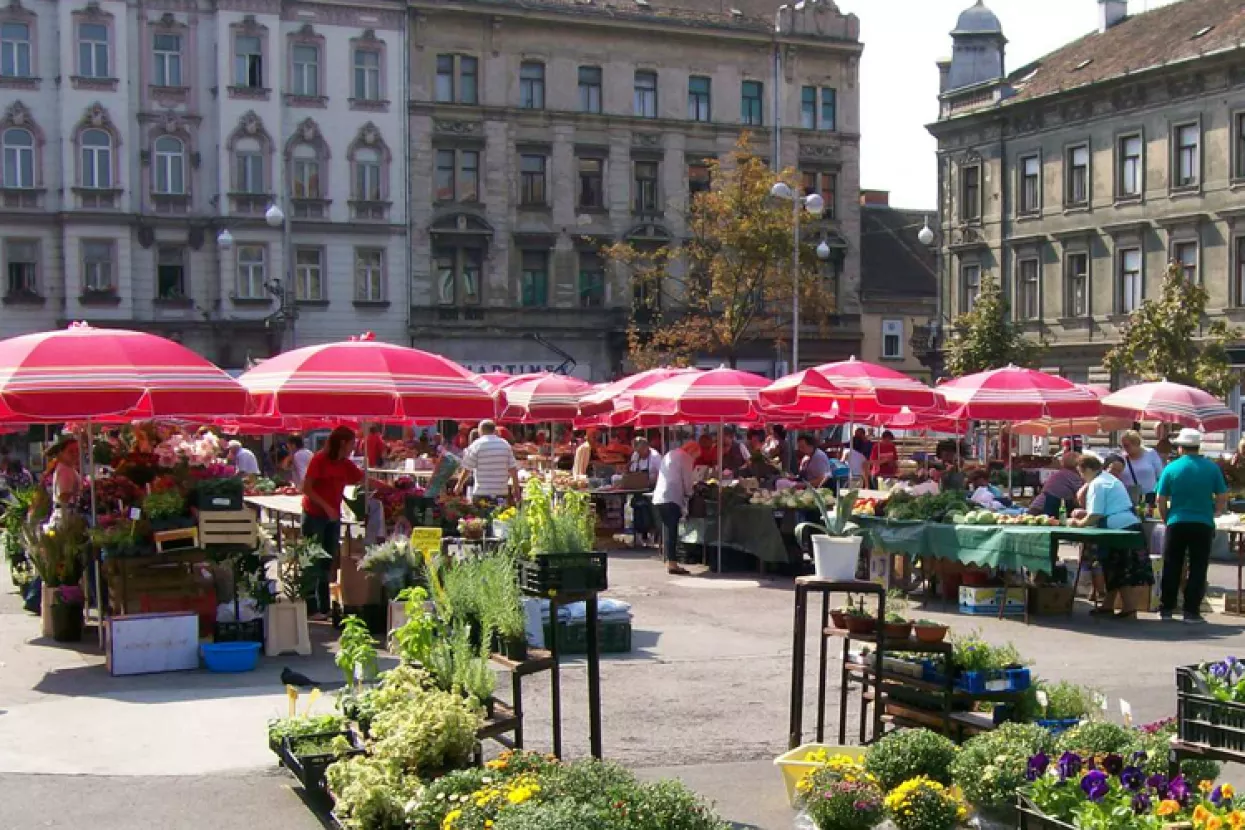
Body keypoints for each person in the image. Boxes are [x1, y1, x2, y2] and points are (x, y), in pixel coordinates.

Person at [1156, 428, 1228, 624]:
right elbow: (1222, 496)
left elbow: (1160, 499)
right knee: (1198, 566)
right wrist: (1215, 512)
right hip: (1202, 523)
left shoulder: (1171, 468)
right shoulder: (1211, 468)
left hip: (1177, 521)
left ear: (1180, 448)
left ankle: (1167, 608)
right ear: (1198, 446)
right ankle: (1191, 611)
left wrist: (1165, 518)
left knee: (1172, 564)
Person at [1068, 454, 1149, 619]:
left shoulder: (1097, 484)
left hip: (1120, 529)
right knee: (1111, 567)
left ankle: (1129, 610)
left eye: (1081, 473)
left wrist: (1079, 523)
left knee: (1122, 569)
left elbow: (1095, 514)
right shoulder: (1107, 479)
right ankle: (1108, 605)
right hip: (1127, 525)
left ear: (1088, 469)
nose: (1082, 477)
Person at [302, 426, 365, 619]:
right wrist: (326, 507)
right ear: (343, 443)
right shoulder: (319, 459)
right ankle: (310, 606)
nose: (354, 447)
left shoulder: (345, 464)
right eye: (352, 443)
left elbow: (363, 479)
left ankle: (323, 607)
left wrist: (390, 488)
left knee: (327, 560)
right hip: (314, 515)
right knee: (313, 560)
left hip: (333, 517)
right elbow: (307, 488)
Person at [652, 440, 698, 575]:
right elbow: (687, 479)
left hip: (660, 496)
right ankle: (672, 563)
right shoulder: (685, 457)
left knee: (667, 530)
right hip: (671, 497)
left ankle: (669, 560)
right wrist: (690, 493)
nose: (695, 459)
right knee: (672, 531)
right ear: (692, 451)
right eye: (696, 455)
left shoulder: (670, 454)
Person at [456, 420, 519, 501]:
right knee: (500, 513)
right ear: (494, 430)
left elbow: (467, 468)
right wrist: (515, 488)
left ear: (480, 430)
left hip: (482, 492)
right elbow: (513, 469)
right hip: (501, 492)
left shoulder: (476, 445)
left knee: (481, 513)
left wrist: (459, 485)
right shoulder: (505, 445)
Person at [1117, 429, 1165, 506]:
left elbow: (1160, 475)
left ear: (1137, 443)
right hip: (1127, 498)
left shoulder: (1150, 453)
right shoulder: (1121, 458)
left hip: (1149, 497)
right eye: (1122, 446)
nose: (1124, 449)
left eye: (1127, 446)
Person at [1028, 451, 1083, 517]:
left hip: (1039, 503)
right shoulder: (1073, 476)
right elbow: (1081, 496)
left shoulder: (1061, 473)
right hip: (1046, 506)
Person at [628, 437, 661, 545]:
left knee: (651, 513)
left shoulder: (655, 457)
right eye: (637, 451)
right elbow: (632, 470)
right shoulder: (636, 455)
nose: (639, 454)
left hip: (652, 489)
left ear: (646, 447)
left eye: (641, 451)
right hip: (638, 489)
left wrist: (653, 482)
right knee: (638, 511)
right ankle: (640, 534)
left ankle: (653, 535)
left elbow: (661, 474)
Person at [46, 436, 82, 526]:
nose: (75, 454)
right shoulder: (65, 471)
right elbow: (63, 496)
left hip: (64, 514)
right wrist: (80, 492)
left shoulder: (67, 468)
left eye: (77, 450)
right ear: (60, 453)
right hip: (65, 516)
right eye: (70, 451)